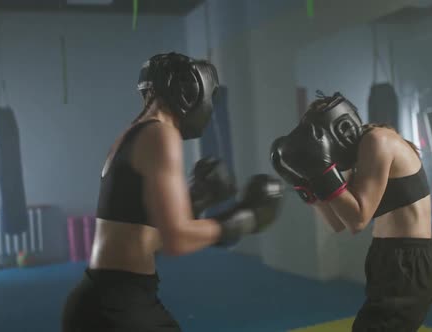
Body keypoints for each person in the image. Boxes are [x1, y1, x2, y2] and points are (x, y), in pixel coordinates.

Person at [62, 52, 283, 332]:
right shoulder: (161, 135)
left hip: (99, 300)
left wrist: (195, 199)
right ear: (190, 90)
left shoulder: (133, 134)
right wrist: (246, 217)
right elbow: (175, 240)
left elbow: (144, 237)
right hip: (120, 308)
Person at [270, 91, 432, 332]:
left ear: (342, 127)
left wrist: (321, 171)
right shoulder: (363, 152)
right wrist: (304, 184)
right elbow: (338, 223)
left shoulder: (378, 141)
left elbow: (358, 220)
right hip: (386, 259)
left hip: (408, 262)